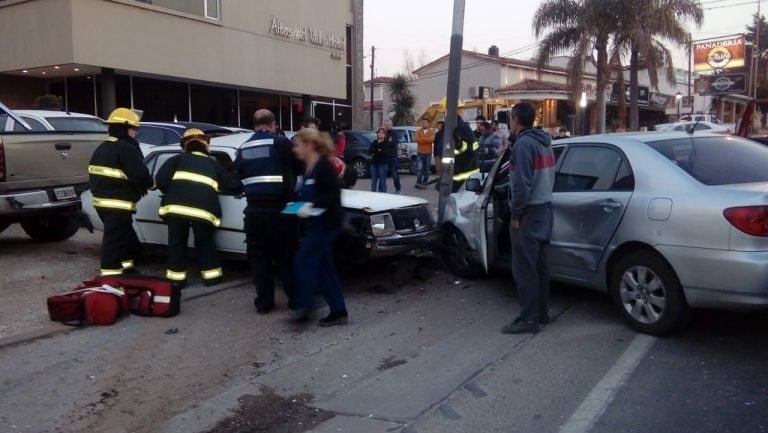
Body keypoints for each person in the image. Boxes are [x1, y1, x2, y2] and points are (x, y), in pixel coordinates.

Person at [155, 129, 242, 288]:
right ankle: (212, 279)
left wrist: (173, 191)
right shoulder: (213, 164)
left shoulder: (176, 160)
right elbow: (233, 185)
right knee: (205, 243)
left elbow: (160, 180)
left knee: (176, 243)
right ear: (205, 145)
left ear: (185, 146)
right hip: (203, 212)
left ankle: (176, 280)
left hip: (175, 210)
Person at [235, 109, 302, 314]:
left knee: (260, 260)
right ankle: (295, 300)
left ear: (254, 125)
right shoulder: (280, 143)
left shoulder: (243, 148)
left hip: (254, 211)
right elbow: (299, 167)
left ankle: (264, 303)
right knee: (287, 256)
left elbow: (237, 177)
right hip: (283, 210)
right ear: (273, 125)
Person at [501, 101, 556, 335]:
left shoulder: (523, 145)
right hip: (545, 209)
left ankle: (528, 319)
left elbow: (521, 184)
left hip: (529, 213)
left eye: (511, 118)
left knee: (525, 269)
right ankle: (542, 313)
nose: (510, 123)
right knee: (540, 267)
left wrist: (516, 214)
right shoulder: (545, 142)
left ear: (516, 119)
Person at [291, 128, 348, 326]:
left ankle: (305, 307)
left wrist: (310, 206)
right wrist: (297, 205)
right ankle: (338, 311)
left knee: (303, 261)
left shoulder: (323, 166)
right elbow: (311, 195)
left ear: (310, 145)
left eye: (297, 145)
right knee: (324, 266)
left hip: (325, 225)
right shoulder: (307, 168)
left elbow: (333, 194)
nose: (295, 149)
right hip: (314, 225)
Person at [88, 107, 153, 276]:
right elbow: (139, 174)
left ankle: (127, 267)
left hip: (103, 202)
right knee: (114, 241)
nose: (136, 133)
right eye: (134, 129)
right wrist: (152, 184)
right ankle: (111, 276)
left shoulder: (104, 147)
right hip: (117, 203)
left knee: (126, 236)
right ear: (125, 128)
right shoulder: (125, 148)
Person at [452, 115, 480, 192]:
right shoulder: (465, 128)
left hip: (464, 171)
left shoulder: (460, 129)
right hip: (468, 168)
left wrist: (458, 144)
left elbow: (466, 148)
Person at [414, 118, 435, 189]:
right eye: (423, 123)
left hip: (428, 153)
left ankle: (425, 183)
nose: (424, 124)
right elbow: (417, 139)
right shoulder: (418, 131)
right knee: (419, 169)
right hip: (420, 153)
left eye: (425, 123)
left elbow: (432, 139)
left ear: (428, 123)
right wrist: (426, 139)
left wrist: (422, 139)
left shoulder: (431, 131)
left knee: (427, 169)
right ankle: (418, 182)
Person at [382, 119, 401, 194]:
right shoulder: (383, 132)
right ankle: (383, 190)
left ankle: (398, 189)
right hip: (384, 157)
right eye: (385, 125)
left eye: (388, 125)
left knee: (394, 173)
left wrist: (386, 142)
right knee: (383, 174)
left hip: (393, 157)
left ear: (391, 125)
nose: (386, 126)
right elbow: (380, 142)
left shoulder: (394, 133)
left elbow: (394, 143)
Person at [369, 127, 388, 192]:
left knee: (382, 182)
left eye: (382, 133)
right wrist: (378, 150)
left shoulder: (386, 143)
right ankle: (373, 197)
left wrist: (375, 151)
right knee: (373, 182)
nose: (380, 134)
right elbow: (370, 151)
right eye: (379, 132)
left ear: (385, 135)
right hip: (373, 164)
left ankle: (383, 197)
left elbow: (384, 152)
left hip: (382, 164)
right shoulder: (374, 142)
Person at [432, 120, 445, 189]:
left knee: (444, 168)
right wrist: (434, 153)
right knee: (438, 168)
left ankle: (442, 181)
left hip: (444, 153)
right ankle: (438, 181)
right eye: (438, 126)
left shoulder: (446, 133)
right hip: (437, 153)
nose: (439, 127)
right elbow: (435, 143)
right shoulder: (437, 133)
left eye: (440, 126)